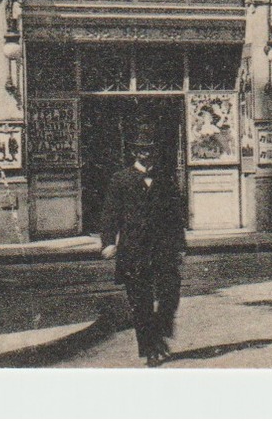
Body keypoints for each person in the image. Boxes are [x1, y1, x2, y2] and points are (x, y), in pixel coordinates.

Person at [100, 125, 187, 366]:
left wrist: (180, 246)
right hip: (133, 250)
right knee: (140, 302)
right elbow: (110, 215)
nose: (145, 155)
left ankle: (158, 334)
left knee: (170, 293)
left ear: (155, 152)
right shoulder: (121, 180)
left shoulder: (166, 180)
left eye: (149, 150)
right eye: (140, 151)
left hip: (163, 249)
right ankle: (150, 349)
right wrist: (108, 242)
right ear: (133, 153)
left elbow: (175, 217)